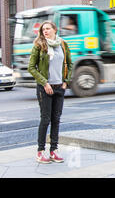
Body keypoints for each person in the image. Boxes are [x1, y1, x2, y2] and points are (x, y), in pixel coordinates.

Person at [28, 21, 73, 164]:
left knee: (56, 119)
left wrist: (66, 81)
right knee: (45, 119)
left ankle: (54, 150)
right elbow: (31, 67)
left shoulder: (63, 44)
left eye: (48, 29)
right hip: (45, 87)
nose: (45, 31)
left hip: (60, 87)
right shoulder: (39, 45)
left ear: (55, 30)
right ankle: (40, 152)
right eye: (43, 30)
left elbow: (70, 64)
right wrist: (44, 82)